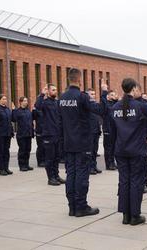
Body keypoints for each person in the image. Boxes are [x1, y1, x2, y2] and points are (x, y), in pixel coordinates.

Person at [111, 78, 147, 225]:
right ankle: (135, 215)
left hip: (121, 150)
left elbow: (112, 130)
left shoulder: (115, 107)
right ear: (134, 89)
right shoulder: (140, 106)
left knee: (124, 181)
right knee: (136, 182)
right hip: (136, 150)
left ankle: (125, 215)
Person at [59, 68, 107, 217]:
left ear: (68, 79)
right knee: (81, 174)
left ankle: (72, 206)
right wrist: (104, 92)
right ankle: (81, 206)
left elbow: (60, 120)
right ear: (79, 80)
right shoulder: (82, 97)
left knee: (71, 173)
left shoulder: (62, 97)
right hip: (82, 142)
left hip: (68, 142)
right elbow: (100, 110)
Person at [35, 84, 65, 186]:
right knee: (49, 158)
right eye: (53, 90)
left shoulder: (57, 102)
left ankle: (56, 176)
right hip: (48, 134)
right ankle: (50, 178)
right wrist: (42, 94)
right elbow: (37, 106)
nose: (55, 91)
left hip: (57, 134)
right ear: (48, 91)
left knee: (57, 157)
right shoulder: (44, 102)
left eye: (56, 90)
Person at [134, 84, 147, 194]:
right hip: (133, 138)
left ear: (140, 91)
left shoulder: (145, 104)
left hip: (144, 137)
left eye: (135, 90)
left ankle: (144, 183)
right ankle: (137, 182)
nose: (133, 92)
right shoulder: (130, 104)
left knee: (144, 163)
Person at [12, 96, 34, 171]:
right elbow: (14, 119)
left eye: (26, 101)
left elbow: (31, 122)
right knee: (22, 150)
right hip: (21, 135)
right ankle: (22, 166)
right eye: (24, 101)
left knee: (28, 150)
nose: (26, 102)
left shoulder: (28, 111)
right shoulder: (18, 111)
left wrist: (32, 132)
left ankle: (26, 164)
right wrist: (13, 110)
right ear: (21, 102)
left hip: (28, 134)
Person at [87, 88, 102, 175]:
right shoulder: (87, 105)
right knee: (90, 150)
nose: (93, 95)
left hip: (96, 130)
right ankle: (90, 167)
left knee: (95, 150)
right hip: (90, 131)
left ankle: (94, 165)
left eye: (94, 94)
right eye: (91, 94)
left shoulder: (95, 105)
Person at [101, 89, 117, 170]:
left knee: (114, 147)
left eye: (114, 95)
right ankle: (108, 163)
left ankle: (113, 162)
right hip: (107, 128)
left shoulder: (115, 104)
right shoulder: (106, 104)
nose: (113, 96)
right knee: (108, 148)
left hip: (114, 129)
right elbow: (105, 109)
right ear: (108, 96)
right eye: (112, 95)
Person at [0, 94, 14, 176]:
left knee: (6, 151)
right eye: (3, 99)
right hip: (0, 134)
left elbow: (12, 120)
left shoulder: (8, 109)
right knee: (1, 152)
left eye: (6, 99)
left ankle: (6, 167)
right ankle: (1, 169)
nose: (5, 100)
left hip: (8, 134)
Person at [33, 87, 47, 168]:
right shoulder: (37, 109)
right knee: (41, 147)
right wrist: (42, 95)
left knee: (46, 147)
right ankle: (40, 161)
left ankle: (44, 160)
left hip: (46, 130)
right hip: (40, 130)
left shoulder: (46, 108)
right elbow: (34, 116)